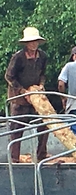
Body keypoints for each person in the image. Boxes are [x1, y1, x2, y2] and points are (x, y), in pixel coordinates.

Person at [4, 27, 49, 163]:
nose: (34, 44)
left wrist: (41, 86)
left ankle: (41, 155)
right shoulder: (18, 57)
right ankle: (14, 158)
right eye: (31, 42)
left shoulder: (42, 56)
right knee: (17, 128)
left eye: (36, 41)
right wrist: (23, 91)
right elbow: (9, 76)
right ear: (26, 43)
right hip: (19, 98)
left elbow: (43, 74)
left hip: (36, 97)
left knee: (44, 124)